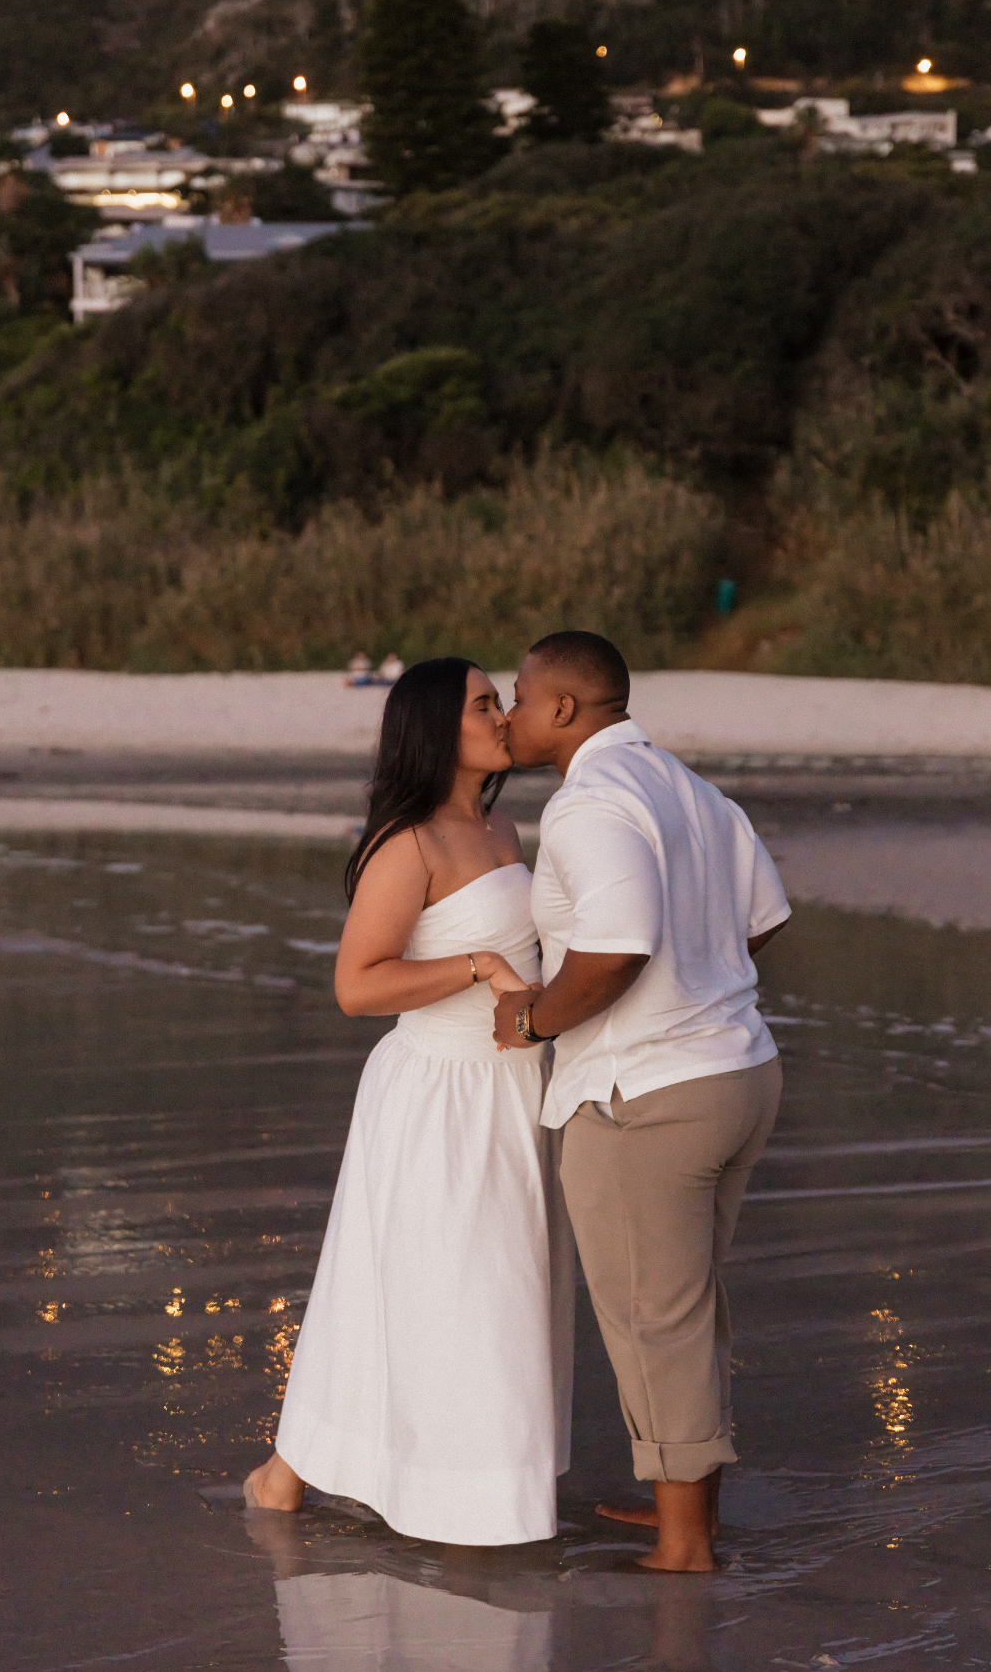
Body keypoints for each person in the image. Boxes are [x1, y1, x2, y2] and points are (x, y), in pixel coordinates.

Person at [246, 657, 575, 1544]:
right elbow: (357, 986)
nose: (504, 714)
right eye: (483, 704)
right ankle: (453, 1502)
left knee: (488, 1293)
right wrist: (476, 965)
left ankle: (321, 1475)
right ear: (439, 728)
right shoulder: (411, 842)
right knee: (449, 1296)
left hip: (514, 1090)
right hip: (440, 1093)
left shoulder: (505, 829)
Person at [495, 630, 790, 1572]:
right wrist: (698, 997)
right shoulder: (692, 790)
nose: (509, 714)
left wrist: (537, 1021)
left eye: (520, 696)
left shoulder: (591, 803)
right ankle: (678, 1504)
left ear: (566, 709)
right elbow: (761, 920)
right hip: (739, 1074)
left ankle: (684, 1545)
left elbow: (615, 948)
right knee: (685, 1306)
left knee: (652, 1318)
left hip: (650, 1096)